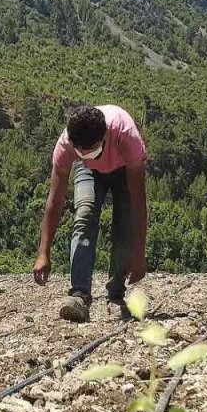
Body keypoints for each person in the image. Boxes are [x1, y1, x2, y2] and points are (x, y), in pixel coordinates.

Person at [33, 103, 149, 322]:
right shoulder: (67, 145)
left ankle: (115, 292)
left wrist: (139, 251)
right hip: (87, 172)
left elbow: (138, 202)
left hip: (124, 169)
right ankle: (79, 294)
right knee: (84, 215)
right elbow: (55, 199)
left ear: (105, 136)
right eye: (81, 151)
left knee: (125, 225)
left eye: (93, 150)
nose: (88, 154)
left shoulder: (126, 137)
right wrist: (43, 252)